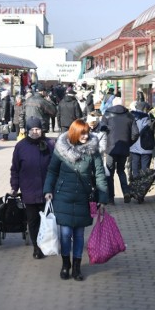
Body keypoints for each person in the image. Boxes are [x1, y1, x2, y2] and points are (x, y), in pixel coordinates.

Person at [43, 119, 109, 281]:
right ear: (74, 133)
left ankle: (77, 267)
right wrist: (48, 190)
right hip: (63, 196)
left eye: (87, 132)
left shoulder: (93, 151)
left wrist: (103, 198)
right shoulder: (61, 149)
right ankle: (66, 265)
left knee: (79, 234)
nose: (86, 136)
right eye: (82, 133)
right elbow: (52, 171)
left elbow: (100, 174)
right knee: (65, 234)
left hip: (83, 197)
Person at [10, 116, 56, 259]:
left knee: (46, 220)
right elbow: (15, 169)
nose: (35, 132)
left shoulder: (50, 144)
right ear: (27, 130)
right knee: (33, 220)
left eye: (38, 129)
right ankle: (37, 247)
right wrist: (14, 187)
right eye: (32, 129)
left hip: (46, 190)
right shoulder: (21, 146)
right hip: (28, 189)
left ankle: (47, 244)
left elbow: (56, 168)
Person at [101, 97, 139, 204]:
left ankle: (110, 198)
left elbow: (101, 129)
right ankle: (126, 192)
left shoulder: (107, 114)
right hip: (124, 148)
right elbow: (136, 133)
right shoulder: (129, 115)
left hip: (110, 148)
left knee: (110, 172)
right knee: (121, 171)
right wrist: (129, 143)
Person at [129, 101, 154, 180]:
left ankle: (134, 184)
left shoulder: (131, 117)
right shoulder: (148, 119)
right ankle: (142, 185)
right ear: (144, 109)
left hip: (133, 146)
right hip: (146, 147)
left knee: (135, 166)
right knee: (145, 169)